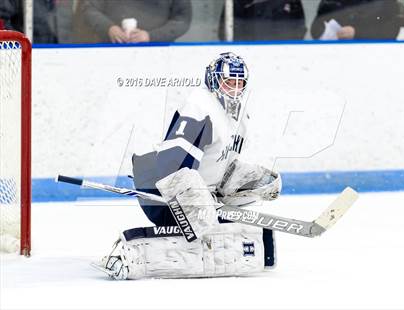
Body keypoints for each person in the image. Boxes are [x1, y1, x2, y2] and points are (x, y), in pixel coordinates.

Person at [95, 52, 282, 280]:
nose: (233, 89)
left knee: (222, 211)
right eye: (227, 82)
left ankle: (209, 225)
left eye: (238, 83)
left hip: (196, 188)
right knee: (202, 227)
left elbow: (221, 163)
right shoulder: (200, 107)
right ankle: (127, 255)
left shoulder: (237, 116)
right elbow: (171, 165)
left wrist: (245, 180)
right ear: (214, 82)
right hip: (159, 189)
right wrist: (198, 205)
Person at [81, 0, 192, 43]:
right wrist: (108, 28)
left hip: (160, 57)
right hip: (110, 56)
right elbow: (89, 8)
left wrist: (151, 37)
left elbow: (182, 19)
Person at [310, 0, 404, 40]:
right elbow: (315, 28)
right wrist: (327, 33)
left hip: (374, 57)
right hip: (335, 55)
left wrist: (356, 32)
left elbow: (390, 31)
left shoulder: (384, 3)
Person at [218, 0, 307, 41]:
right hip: (249, 58)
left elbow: (300, 30)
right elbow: (224, 33)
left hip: (285, 58)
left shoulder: (291, 2)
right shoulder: (239, 2)